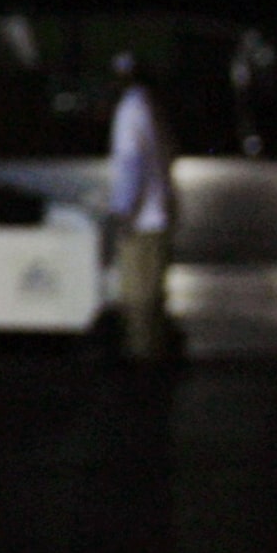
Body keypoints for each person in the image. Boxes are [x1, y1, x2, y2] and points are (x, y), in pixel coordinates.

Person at [107, 52, 179, 361]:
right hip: (159, 215)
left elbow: (132, 165)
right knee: (154, 297)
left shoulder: (129, 111)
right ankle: (155, 358)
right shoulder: (153, 109)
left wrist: (123, 212)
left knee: (137, 299)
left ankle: (142, 365)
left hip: (141, 220)